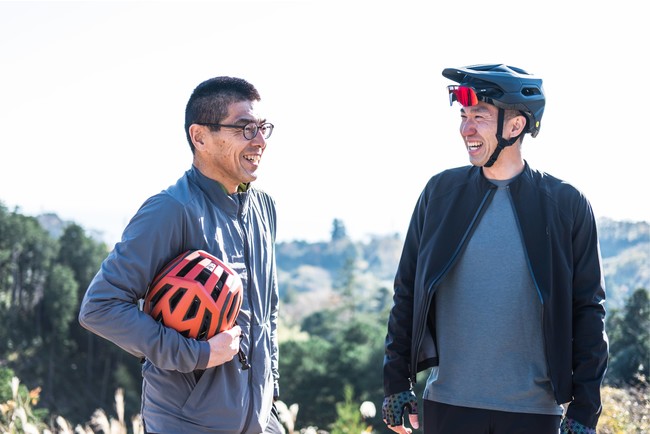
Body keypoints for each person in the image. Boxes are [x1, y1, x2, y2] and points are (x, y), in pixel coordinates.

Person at [382, 64, 608, 434]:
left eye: (480, 117)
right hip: (448, 408)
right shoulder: (440, 195)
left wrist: (584, 410)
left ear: (515, 126)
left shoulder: (566, 205)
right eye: (463, 116)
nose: (466, 129)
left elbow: (588, 311)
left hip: (534, 414)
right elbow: (406, 291)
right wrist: (396, 382)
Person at [79, 76, 282, 434]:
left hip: (259, 422)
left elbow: (268, 313)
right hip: (185, 423)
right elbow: (101, 308)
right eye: (244, 128)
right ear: (200, 137)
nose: (260, 141)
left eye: (262, 127)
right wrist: (198, 355)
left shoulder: (264, 208)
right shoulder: (170, 210)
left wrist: (270, 399)